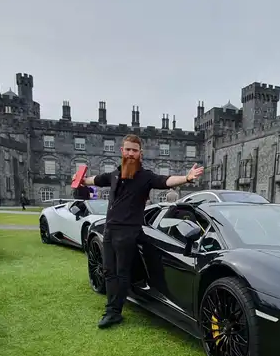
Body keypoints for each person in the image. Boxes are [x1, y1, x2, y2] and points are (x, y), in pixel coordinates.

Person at [80, 134, 204, 328]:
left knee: (121, 273)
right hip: (110, 229)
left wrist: (187, 178)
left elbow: (166, 180)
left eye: (134, 150)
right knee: (108, 271)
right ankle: (113, 308)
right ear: (122, 151)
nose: (130, 153)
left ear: (140, 153)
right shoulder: (114, 175)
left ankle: (113, 312)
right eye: (127, 149)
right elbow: (95, 179)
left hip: (128, 232)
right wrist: (80, 180)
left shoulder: (145, 177)